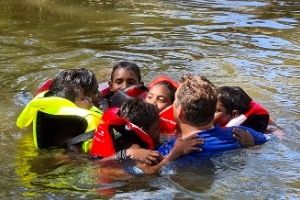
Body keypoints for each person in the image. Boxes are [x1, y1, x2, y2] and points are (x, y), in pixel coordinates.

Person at [138, 74, 268, 174]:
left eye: (175, 101)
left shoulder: (173, 148)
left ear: (180, 112)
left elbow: (141, 172)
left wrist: (171, 156)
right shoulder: (242, 133)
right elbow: (269, 140)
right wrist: (251, 147)